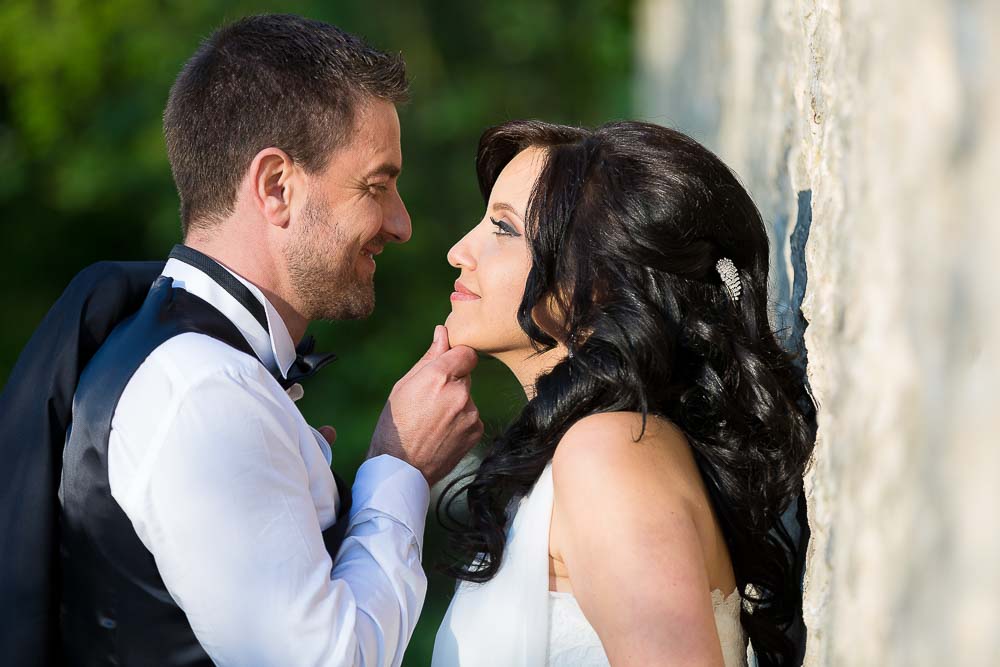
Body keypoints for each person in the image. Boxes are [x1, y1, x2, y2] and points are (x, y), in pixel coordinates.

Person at [1, 14, 484, 667]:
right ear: (276, 186)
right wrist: (399, 468)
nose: (400, 224)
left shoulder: (194, 366)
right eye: (376, 185)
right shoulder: (203, 391)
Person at [431, 120, 817, 666]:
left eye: (503, 228)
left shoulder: (610, 455)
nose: (457, 251)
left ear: (601, 279)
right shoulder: (592, 455)